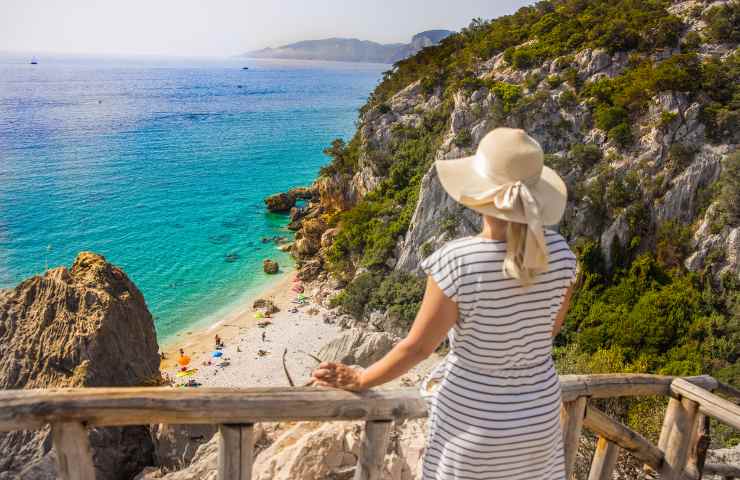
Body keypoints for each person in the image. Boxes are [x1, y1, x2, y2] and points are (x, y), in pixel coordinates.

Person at [312, 128, 577, 479]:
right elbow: (548, 330)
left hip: (473, 424)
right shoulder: (561, 254)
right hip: (538, 418)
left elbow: (417, 348)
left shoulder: (458, 261)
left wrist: (360, 376)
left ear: (480, 194)